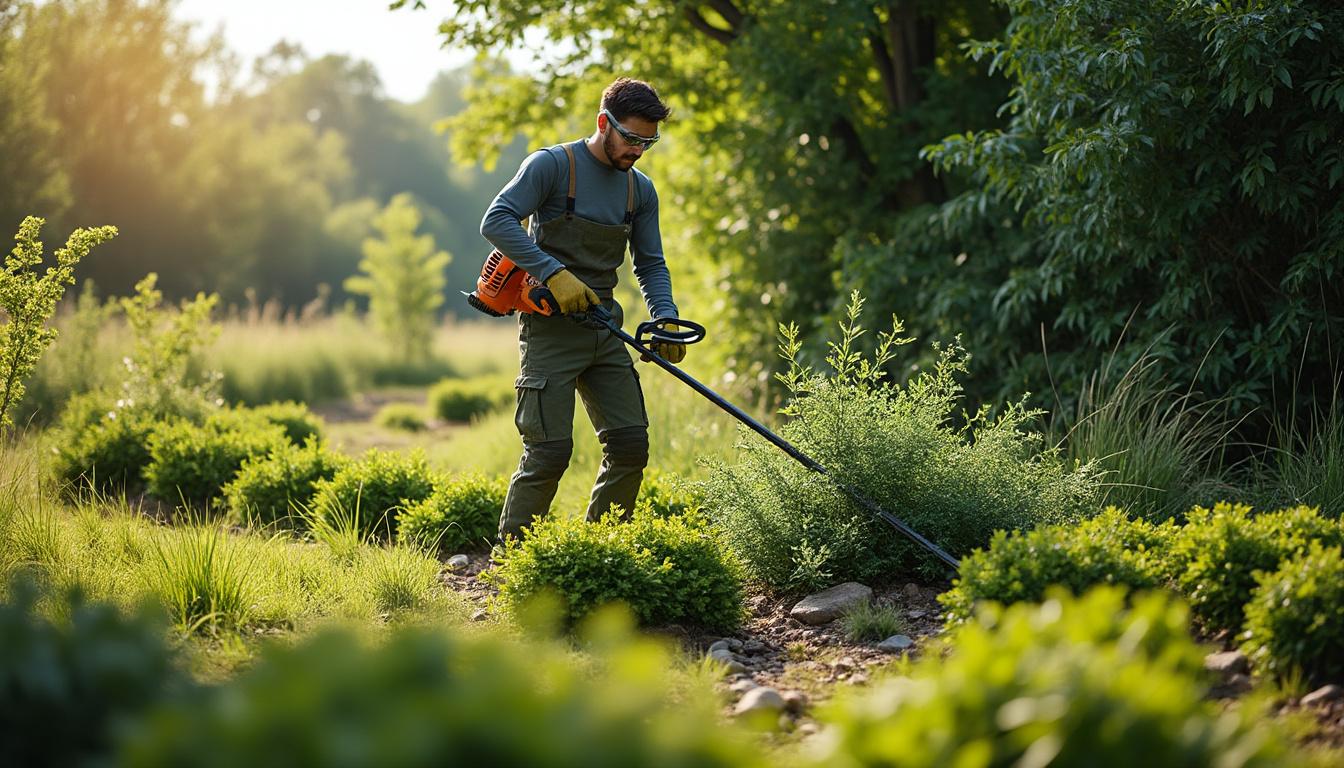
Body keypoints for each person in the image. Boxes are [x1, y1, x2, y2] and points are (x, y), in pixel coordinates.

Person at [480, 77, 685, 543]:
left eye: (648, 142)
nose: (638, 150)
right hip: (550, 333)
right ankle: (512, 565)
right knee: (549, 453)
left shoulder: (641, 191)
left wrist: (666, 317)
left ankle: (598, 555)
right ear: (602, 123)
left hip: (605, 332)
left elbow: (650, 263)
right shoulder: (553, 166)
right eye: (631, 138)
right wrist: (554, 272)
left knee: (631, 446)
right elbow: (496, 219)